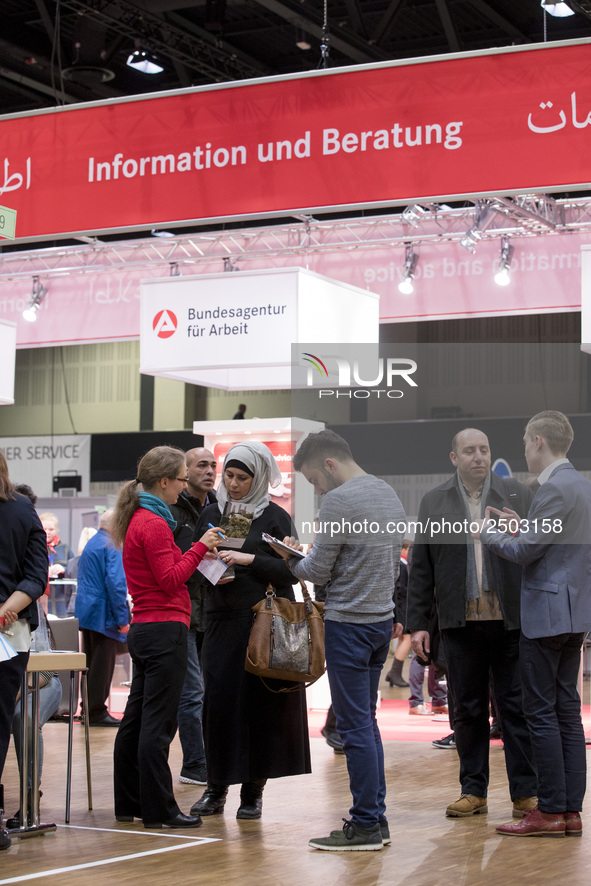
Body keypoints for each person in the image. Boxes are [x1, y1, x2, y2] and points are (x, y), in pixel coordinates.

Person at [276, 429, 405, 852]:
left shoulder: (339, 501)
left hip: (348, 624)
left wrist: (289, 557)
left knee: (354, 728)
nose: (317, 488)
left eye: (314, 479)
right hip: (379, 623)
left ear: (329, 464)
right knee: (365, 723)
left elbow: (316, 570)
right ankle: (376, 818)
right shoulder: (388, 492)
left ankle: (366, 823)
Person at [406, 428, 538, 819]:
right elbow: (421, 568)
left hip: (511, 622)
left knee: (515, 709)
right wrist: (418, 624)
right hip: (460, 623)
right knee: (467, 710)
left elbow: (538, 549)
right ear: (454, 458)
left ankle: (525, 793)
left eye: (484, 449)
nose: (478, 456)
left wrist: (523, 530)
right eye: (469, 451)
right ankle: (473, 789)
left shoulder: (517, 494)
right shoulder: (435, 501)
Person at [479, 411, 591, 837]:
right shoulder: (580, 485)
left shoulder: (553, 489)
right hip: (574, 611)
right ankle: (568, 811)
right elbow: (554, 543)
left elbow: (526, 552)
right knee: (566, 713)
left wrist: (488, 532)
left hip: (546, 615)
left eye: (526, 442)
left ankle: (548, 810)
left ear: (539, 441)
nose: (525, 450)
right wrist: (521, 525)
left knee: (541, 713)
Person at [189, 441, 310, 821]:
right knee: (219, 707)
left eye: (243, 477)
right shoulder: (211, 512)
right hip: (221, 621)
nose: (235, 483)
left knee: (261, 708)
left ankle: (253, 792)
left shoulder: (275, 517)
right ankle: (216, 788)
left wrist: (250, 559)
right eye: (230, 475)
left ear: (259, 479)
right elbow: (193, 563)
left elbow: (291, 571)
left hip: (263, 622)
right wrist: (210, 569)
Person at [111, 446, 222, 829]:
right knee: (157, 727)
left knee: (137, 721)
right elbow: (172, 577)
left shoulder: (138, 519)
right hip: (163, 629)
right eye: (179, 479)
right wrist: (200, 547)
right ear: (164, 481)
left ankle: (129, 802)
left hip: (146, 628)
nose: (182, 487)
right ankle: (160, 809)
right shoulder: (154, 523)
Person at [0, 455, 48, 851]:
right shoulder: (22, 510)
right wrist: (9, 608)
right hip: (10, 629)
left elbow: (36, 576)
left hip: (8, 631)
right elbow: (35, 576)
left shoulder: (19, 508)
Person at [169, 447, 217, 786]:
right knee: (191, 693)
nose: (211, 470)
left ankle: (204, 759)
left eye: (215, 465)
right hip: (181, 612)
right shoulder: (171, 511)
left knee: (204, 691)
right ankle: (194, 764)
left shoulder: (219, 509)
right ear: (185, 472)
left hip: (213, 612)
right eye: (203, 464)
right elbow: (175, 567)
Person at [7, 603, 62, 828]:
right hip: (7, 683)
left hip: (40, 682)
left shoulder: (31, 606)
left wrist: (13, 695)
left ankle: (30, 796)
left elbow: (45, 668)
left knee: (25, 717)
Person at [75, 510, 129, 727]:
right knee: (102, 665)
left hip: (89, 611)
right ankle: (96, 712)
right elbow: (116, 584)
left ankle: (90, 709)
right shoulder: (111, 544)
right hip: (103, 613)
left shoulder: (93, 542)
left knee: (91, 663)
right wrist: (123, 618)